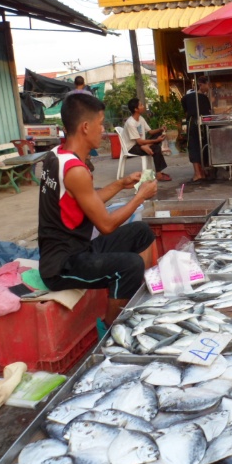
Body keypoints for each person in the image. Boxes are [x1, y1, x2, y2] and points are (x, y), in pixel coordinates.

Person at [38, 93, 158, 326]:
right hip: (61, 265)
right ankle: (112, 331)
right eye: (100, 123)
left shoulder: (56, 156)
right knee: (130, 266)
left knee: (141, 231)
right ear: (85, 127)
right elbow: (105, 225)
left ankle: (138, 299)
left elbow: (86, 200)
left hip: (79, 248)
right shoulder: (76, 171)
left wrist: (120, 183)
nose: (103, 130)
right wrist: (140, 196)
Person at [123, 98, 172, 181]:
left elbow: (151, 132)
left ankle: (146, 146)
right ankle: (159, 175)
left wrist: (160, 129)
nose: (143, 106)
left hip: (140, 144)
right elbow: (139, 141)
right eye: (141, 105)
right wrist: (156, 141)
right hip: (132, 147)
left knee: (158, 134)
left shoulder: (141, 118)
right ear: (136, 109)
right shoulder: (130, 123)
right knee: (156, 148)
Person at [181, 76, 212, 183]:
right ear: (201, 85)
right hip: (195, 123)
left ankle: (201, 172)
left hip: (199, 123)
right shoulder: (195, 98)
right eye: (207, 85)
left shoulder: (189, 97)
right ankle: (199, 174)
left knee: (199, 146)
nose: (208, 87)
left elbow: (185, 110)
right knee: (194, 146)